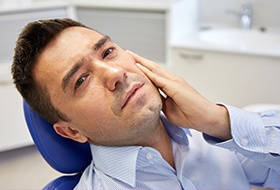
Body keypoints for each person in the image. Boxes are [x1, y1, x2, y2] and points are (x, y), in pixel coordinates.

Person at [12, 18, 280, 189]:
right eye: (81, 81)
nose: (116, 74)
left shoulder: (217, 136)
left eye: (108, 52)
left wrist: (217, 120)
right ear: (72, 132)